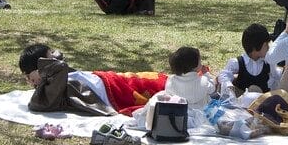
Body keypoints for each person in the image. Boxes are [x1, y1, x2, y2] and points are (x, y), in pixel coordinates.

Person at [19, 43, 167, 117]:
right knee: (156, 88)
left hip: (109, 80)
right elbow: (60, 67)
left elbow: (61, 64)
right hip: (112, 93)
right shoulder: (45, 94)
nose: (55, 59)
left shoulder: (52, 78)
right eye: (49, 60)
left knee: (153, 80)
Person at [218, 23, 282, 99]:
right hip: (241, 104)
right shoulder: (238, 63)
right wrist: (229, 87)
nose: (268, 48)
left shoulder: (268, 63)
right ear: (255, 48)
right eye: (266, 45)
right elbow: (224, 75)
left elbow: (277, 76)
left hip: (261, 105)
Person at [164, 46, 218, 110]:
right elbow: (212, 89)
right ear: (194, 66)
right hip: (201, 114)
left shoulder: (171, 80)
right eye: (200, 61)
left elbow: (168, 94)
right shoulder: (203, 81)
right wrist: (206, 74)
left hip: (180, 114)